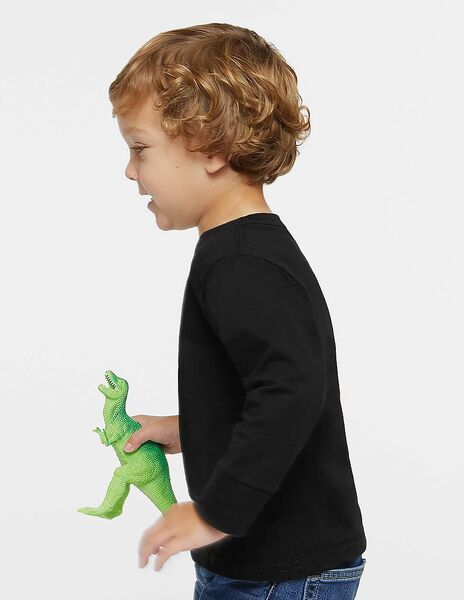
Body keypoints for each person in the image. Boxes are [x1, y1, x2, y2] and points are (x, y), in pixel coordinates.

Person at [109, 22, 367, 600]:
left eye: (140, 148)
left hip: (280, 572)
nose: (129, 170)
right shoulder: (243, 249)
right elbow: (264, 389)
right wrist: (188, 429)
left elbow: (292, 391)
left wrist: (214, 512)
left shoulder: (239, 262)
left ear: (213, 149)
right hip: (274, 566)